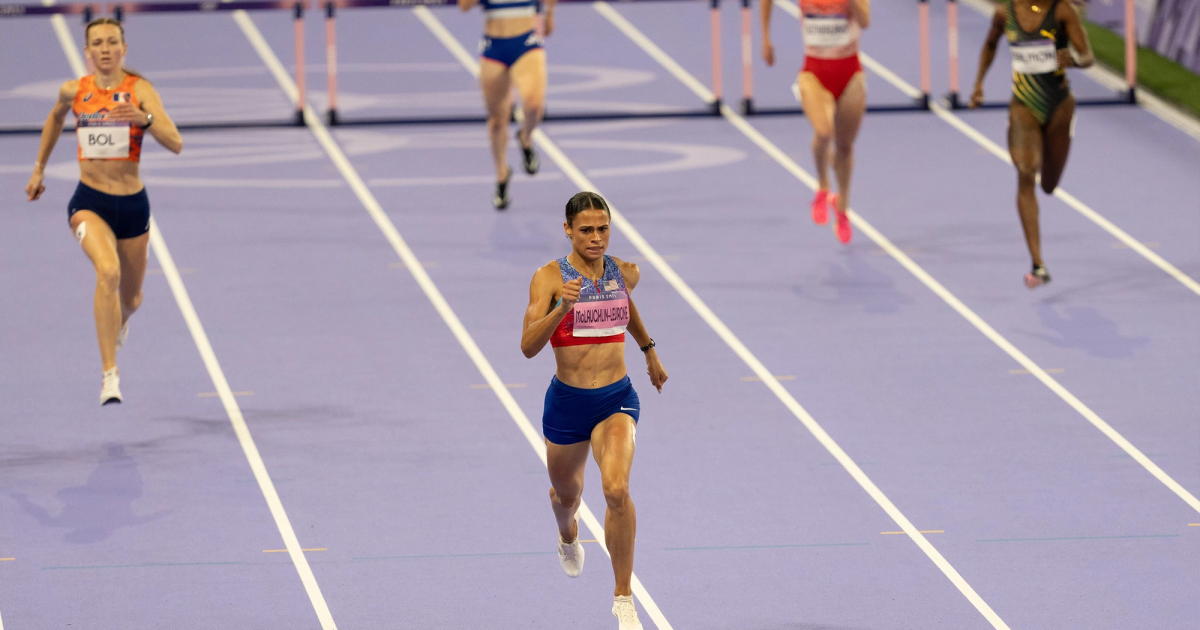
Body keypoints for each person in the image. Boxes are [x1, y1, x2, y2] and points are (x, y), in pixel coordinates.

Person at [520, 192, 668, 630]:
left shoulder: (624, 272)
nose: (596, 238)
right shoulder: (548, 279)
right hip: (567, 404)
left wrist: (649, 350)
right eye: (586, 230)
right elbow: (528, 347)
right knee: (567, 497)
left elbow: (626, 305)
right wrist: (562, 307)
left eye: (603, 229)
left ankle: (623, 598)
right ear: (568, 230)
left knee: (617, 489)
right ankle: (567, 534)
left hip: (615, 399)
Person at [25, 18, 183, 404]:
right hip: (88, 202)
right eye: (98, 43)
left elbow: (175, 142)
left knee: (131, 299)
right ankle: (109, 376)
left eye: (113, 42)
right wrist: (39, 169)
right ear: (88, 52)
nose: (106, 49)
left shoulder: (139, 90)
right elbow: (55, 118)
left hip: (131, 205)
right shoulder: (73, 90)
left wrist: (142, 119)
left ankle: (123, 319)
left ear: (123, 49)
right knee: (107, 272)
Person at [970, 0, 1093, 288]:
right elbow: (989, 45)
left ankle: (1039, 260)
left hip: (1059, 107)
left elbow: (1088, 56)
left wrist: (1072, 59)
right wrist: (978, 84)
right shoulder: (1005, 14)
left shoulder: (1062, 11)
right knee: (1026, 172)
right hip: (1023, 106)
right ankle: (1038, 264)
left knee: (1048, 185)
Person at [762, 0, 870, 244]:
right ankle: (822, 186)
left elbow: (865, 22)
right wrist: (766, 37)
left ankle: (842, 207)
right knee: (823, 132)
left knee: (845, 147)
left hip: (850, 72)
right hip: (814, 73)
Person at [458, 0, 556, 209]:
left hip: (526, 43)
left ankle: (525, 137)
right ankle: (502, 173)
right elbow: (463, 6)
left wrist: (549, 13)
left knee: (533, 105)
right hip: (494, 46)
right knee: (496, 121)